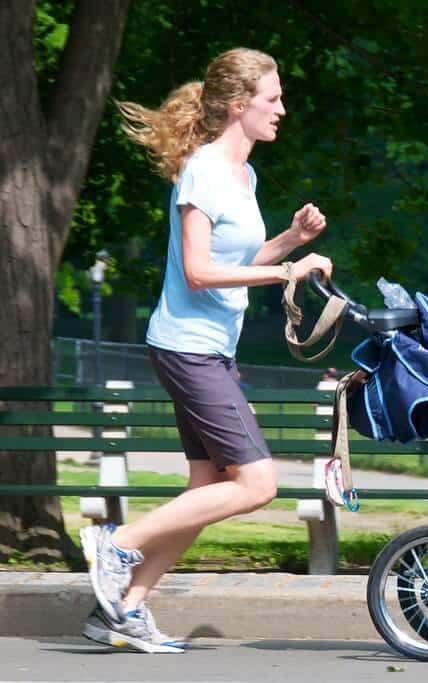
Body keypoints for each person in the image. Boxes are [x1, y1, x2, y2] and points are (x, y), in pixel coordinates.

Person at [77, 47, 333, 654]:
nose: (283, 110)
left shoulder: (244, 175)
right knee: (257, 483)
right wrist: (287, 273)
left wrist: (288, 243)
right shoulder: (204, 170)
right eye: (273, 100)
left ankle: (124, 610)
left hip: (212, 351)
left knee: (203, 490)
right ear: (240, 105)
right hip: (186, 349)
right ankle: (114, 546)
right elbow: (196, 271)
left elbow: (236, 262)